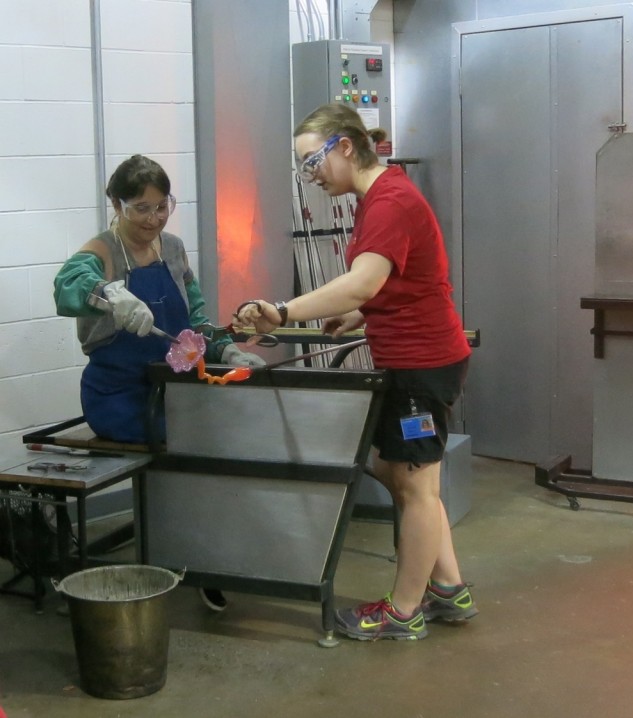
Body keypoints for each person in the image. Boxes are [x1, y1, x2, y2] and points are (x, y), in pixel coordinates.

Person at [236, 104, 475, 641]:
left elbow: (365, 279)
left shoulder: (388, 202)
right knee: (399, 473)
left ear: (345, 146)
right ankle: (448, 588)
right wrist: (365, 312)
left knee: (416, 489)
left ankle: (404, 612)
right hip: (414, 357)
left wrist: (284, 310)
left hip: (419, 366)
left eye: (312, 161)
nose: (310, 174)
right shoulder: (381, 196)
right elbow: (399, 279)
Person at [53, 154, 264, 611]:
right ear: (116, 204)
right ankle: (189, 557)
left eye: (161, 206)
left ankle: (208, 556)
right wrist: (107, 292)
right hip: (121, 396)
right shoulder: (102, 252)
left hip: (176, 387)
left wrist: (224, 350)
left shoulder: (172, 249)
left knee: (231, 438)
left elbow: (197, 319)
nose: (153, 219)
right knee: (194, 448)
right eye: (140, 209)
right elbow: (66, 285)